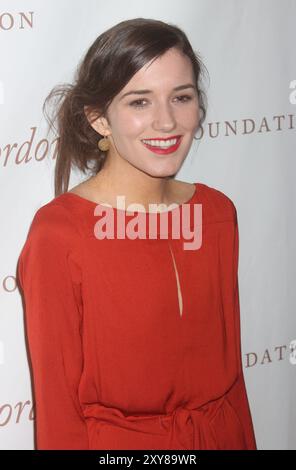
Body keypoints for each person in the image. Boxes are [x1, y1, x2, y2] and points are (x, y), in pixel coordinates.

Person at [17, 17, 257, 450]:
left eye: (180, 97)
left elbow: (233, 385)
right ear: (100, 119)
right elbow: (58, 413)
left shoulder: (216, 214)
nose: (166, 122)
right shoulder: (60, 234)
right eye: (139, 102)